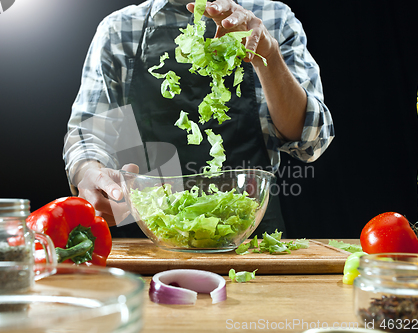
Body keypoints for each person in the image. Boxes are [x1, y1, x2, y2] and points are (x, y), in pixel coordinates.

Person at [63, 0, 335, 237]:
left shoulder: (275, 17)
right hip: (149, 235)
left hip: (250, 235)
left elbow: (310, 139)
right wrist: (89, 173)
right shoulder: (119, 29)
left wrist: (269, 55)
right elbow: (91, 131)